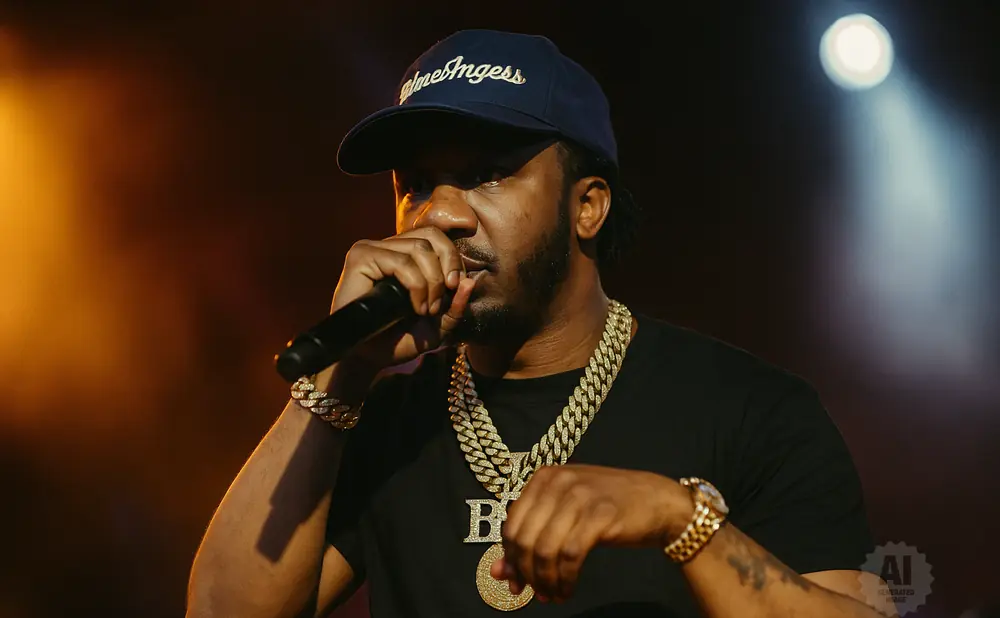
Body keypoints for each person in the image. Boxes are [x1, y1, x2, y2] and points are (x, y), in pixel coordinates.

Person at [187, 29, 897, 618]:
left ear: (587, 207)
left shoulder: (751, 409)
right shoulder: (385, 425)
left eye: (488, 174)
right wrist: (342, 376)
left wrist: (681, 521)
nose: (441, 213)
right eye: (416, 185)